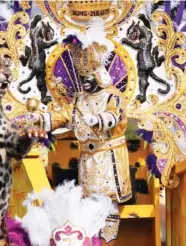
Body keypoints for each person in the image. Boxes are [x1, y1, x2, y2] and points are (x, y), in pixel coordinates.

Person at [25, 42, 132, 246]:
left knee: (109, 206)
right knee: (88, 207)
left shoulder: (112, 96)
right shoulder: (79, 101)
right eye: (82, 78)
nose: (84, 83)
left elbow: (116, 116)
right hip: (87, 161)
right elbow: (60, 117)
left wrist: (98, 120)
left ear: (99, 75)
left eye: (88, 78)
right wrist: (40, 118)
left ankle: (108, 243)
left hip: (108, 159)